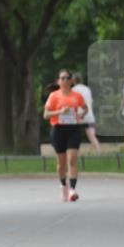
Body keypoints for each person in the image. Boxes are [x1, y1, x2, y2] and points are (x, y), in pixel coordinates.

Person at [44, 69, 87, 202]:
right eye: (62, 78)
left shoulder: (77, 96)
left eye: (67, 78)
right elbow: (46, 115)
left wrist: (82, 113)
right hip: (59, 130)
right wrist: (60, 111)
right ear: (58, 81)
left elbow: (85, 108)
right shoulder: (54, 96)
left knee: (72, 159)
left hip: (73, 129)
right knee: (61, 163)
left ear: (71, 81)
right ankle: (63, 185)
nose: (64, 80)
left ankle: (72, 190)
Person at [71, 72, 102, 153]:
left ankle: (75, 153)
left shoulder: (73, 90)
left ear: (73, 80)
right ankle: (99, 152)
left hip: (78, 116)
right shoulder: (87, 89)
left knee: (74, 136)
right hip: (89, 115)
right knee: (92, 136)